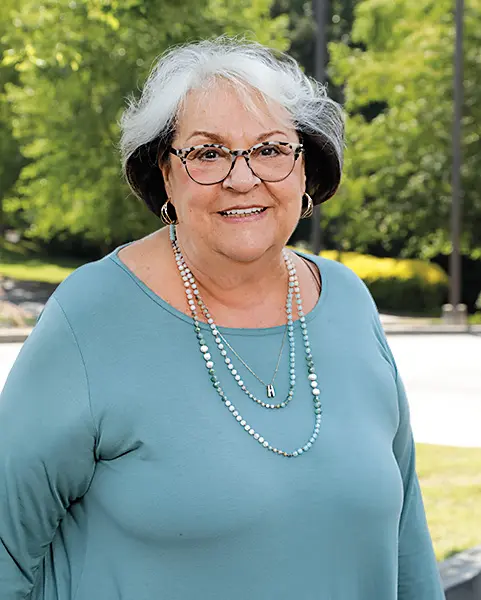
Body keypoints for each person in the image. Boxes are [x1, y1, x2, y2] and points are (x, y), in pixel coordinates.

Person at [0, 38, 444, 600]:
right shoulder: (91, 315)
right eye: (208, 153)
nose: (243, 178)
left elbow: (407, 543)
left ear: (304, 166)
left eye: (270, 149)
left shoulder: (350, 304)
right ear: (166, 173)